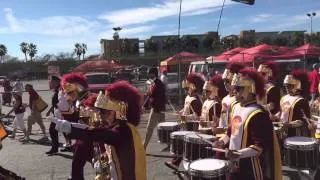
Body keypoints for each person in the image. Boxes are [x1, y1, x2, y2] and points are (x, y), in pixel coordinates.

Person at [49, 81, 147, 180]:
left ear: (119, 111)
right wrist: (103, 172)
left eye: (104, 111)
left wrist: (71, 127)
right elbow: (107, 156)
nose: (100, 115)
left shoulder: (124, 130)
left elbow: (100, 134)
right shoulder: (117, 127)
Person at [215, 67, 282, 180]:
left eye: (239, 88)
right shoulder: (234, 106)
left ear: (251, 89)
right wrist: (222, 141)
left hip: (250, 167)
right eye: (235, 87)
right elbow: (231, 132)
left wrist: (238, 154)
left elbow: (259, 147)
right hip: (233, 164)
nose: (235, 91)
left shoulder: (258, 113)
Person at [164, 73, 203, 170]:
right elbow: (186, 108)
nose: (185, 91)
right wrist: (180, 112)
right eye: (185, 89)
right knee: (183, 145)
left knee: (186, 145)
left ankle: (176, 163)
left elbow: (197, 116)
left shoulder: (195, 100)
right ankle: (176, 163)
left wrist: (185, 117)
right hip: (186, 125)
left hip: (192, 127)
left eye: (187, 89)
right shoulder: (188, 97)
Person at [59, 72, 91, 180]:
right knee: (77, 164)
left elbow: (89, 125)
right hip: (85, 137)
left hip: (93, 138)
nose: (66, 95)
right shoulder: (80, 101)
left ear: (78, 89)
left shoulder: (87, 101)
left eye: (69, 92)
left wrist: (70, 126)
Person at [276, 69, 312, 137]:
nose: (287, 88)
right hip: (282, 130)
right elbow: (281, 112)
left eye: (289, 86)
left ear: (297, 86)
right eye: (286, 86)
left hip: (295, 133)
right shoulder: (283, 98)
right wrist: (275, 116)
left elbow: (303, 121)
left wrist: (289, 124)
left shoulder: (301, 101)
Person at [143, 67, 166, 149]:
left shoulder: (157, 84)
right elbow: (150, 96)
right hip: (159, 109)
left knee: (149, 128)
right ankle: (171, 145)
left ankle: (144, 146)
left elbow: (158, 98)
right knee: (163, 129)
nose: (148, 74)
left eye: (149, 73)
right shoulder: (154, 83)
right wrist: (145, 105)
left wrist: (153, 107)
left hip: (156, 110)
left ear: (153, 74)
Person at [219, 62, 244, 130]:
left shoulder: (238, 99)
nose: (225, 84)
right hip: (223, 132)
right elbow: (223, 118)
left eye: (227, 81)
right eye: (224, 81)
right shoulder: (224, 98)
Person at [46, 76, 61, 155]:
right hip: (56, 114)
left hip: (60, 114)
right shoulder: (56, 90)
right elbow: (55, 104)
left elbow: (61, 103)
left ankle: (55, 148)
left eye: (51, 81)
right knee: (53, 131)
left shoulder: (60, 90)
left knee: (52, 130)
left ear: (56, 82)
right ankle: (55, 148)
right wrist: (49, 111)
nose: (50, 83)